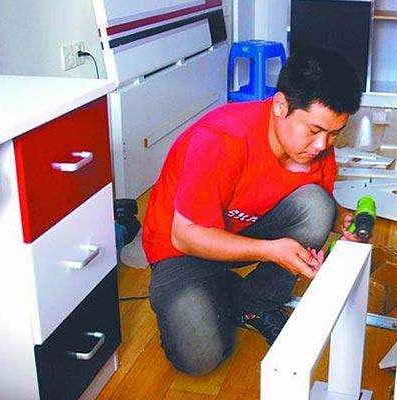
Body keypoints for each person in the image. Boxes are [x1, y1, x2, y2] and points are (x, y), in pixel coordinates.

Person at [141, 46, 363, 376]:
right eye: (314, 131)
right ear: (280, 106)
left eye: (334, 133)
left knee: (318, 205)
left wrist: (345, 221)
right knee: (200, 359)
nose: (322, 145)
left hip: (240, 231)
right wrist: (271, 251)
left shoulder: (316, 149)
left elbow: (321, 203)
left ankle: (253, 304)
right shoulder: (221, 140)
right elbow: (185, 236)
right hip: (182, 248)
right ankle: (212, 295)